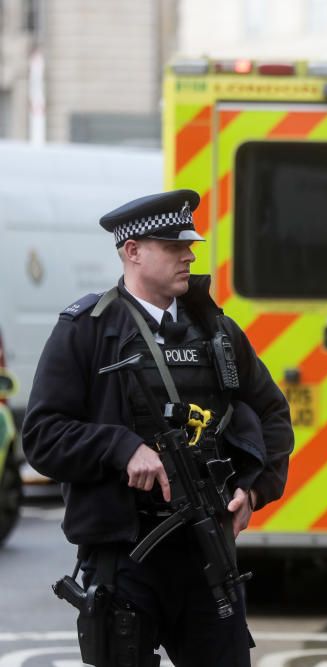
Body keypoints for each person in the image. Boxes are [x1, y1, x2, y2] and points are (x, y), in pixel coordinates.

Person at [22, 190, 293, 667]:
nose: (189, 254)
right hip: (125, 560)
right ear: (133, 251)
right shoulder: (87, 330)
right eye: (173, 246)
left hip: (205, 554)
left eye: (189, 244)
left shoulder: (217, 333)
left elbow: (273, 415)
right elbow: (43, 436)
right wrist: (121, 447)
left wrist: (252, 492)